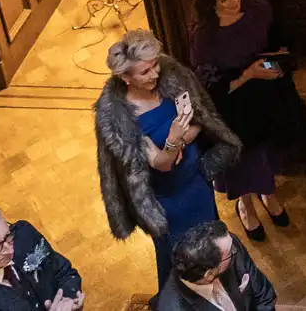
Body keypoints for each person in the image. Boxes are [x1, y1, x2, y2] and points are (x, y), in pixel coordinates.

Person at [94, 30, 240, 289]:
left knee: (213, 246)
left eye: (155, 65)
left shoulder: (173, 79)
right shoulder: (123, 118)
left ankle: (222, 295)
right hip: (168, 202)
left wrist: (181, 139)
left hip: (198, 181)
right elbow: (162, 163)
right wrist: (173, 140)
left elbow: (198, 123)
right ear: (125, 77)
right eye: (145, 72)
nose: (155, 74)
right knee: (182, 260)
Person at [187, 0, 303, 242]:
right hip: (232, 108)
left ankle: (268, 193)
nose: (233, 2)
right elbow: (209, 87)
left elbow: (277, 42)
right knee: (243, 163)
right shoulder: (205, 37)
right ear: (211, 6)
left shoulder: (258, 9)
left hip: (266, 97)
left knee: (267, 155)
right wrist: (249, 74)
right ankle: (246, 205)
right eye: (223, 0)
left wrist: (277, 61)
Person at [152, 221, 275, 311]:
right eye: (231, 251)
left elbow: (264, 295)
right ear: (209, 274)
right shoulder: (171, 307)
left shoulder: (227, 244)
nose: (235, 249)